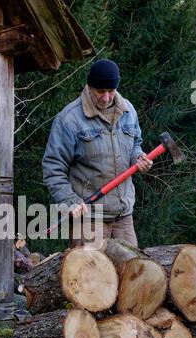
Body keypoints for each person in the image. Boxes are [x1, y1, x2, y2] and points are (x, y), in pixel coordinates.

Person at [42, 58, 153, 248]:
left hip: (123, 217)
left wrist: (138, 157)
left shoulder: (128, 111)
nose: (106, 97)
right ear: (89, 86)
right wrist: (70, 201)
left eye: (111, 91)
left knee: (133, 275)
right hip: (89, 220)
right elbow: (53, 167)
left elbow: (135, 144)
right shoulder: (69, 120)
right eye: (100, 91)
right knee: (90, 277)